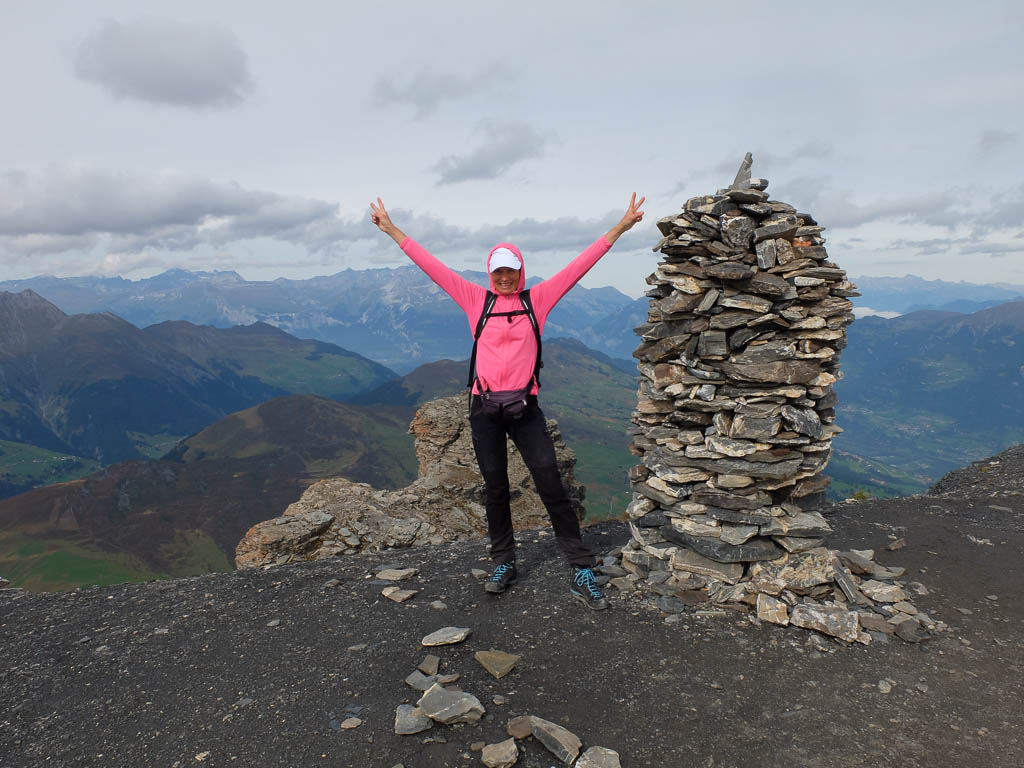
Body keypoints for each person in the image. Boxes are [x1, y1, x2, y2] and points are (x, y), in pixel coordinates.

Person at [370, 194, 645, 609]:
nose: (504, 277)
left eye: (510, 271)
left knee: (550, 483)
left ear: (521, 272)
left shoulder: (539, 300)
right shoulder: (474, 300)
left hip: (525, 409)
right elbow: (432, 266)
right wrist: (392, 230)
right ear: (489, 272)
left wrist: (620, 228)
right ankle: (504, 561)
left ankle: (581, 566)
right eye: (498, 271)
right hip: (483, 410)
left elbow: (579, 266)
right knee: (495, 488)